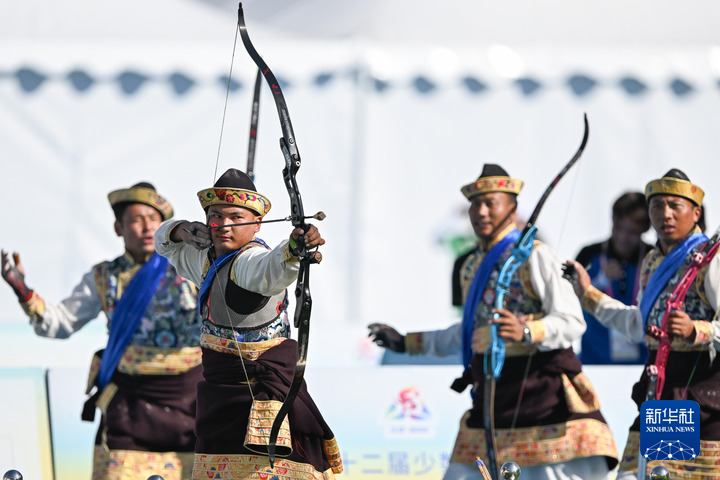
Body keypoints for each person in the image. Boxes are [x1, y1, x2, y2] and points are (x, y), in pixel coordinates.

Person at [368, 164, 618, 480]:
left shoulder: (536, 256)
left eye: (490, 203)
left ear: (512, 209)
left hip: (544, 393)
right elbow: (471, 333)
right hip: (493, 393)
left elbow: (571, 322)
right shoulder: (471, 265)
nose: (481, 212)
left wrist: (527, 330)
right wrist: (407, 342)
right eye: (475, 204)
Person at [1, 182, 202, 480]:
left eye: (154, 219)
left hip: (190, 402)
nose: (147, 227)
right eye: (137, 219)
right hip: (131, 406)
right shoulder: (104, 276)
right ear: (118, 228)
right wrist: (23, 291)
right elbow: (62, 322)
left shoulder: (192, 269)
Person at [154, 168, 342, 480]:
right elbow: (164, 243)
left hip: (262, 398)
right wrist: (183, 230)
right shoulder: (203, 258)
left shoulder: (248, 261)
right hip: (220, 399)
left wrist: (294, 248)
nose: (224, 225)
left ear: (257, 224)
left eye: (236, 218)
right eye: (215, 217)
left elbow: (272, 268)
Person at [564, 168, 720, 479]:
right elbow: (639, 324)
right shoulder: (652, 261)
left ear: (696, 213)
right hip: (663, 388)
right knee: (643, 474)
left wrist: (697, 330)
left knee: (675, 474)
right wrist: (587, 292)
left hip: (700, 384)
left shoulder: (711, 259)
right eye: (657, 205)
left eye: (675, 205)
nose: (665, 214)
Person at [575, 191, 652, 364]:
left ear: (645, 229)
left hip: (643, 362)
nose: (622, 237)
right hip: (594, 360)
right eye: (618, 228)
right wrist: (599, 281)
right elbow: (567, 297)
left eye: (632, 232)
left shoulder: (653, 258)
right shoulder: (589, 254)